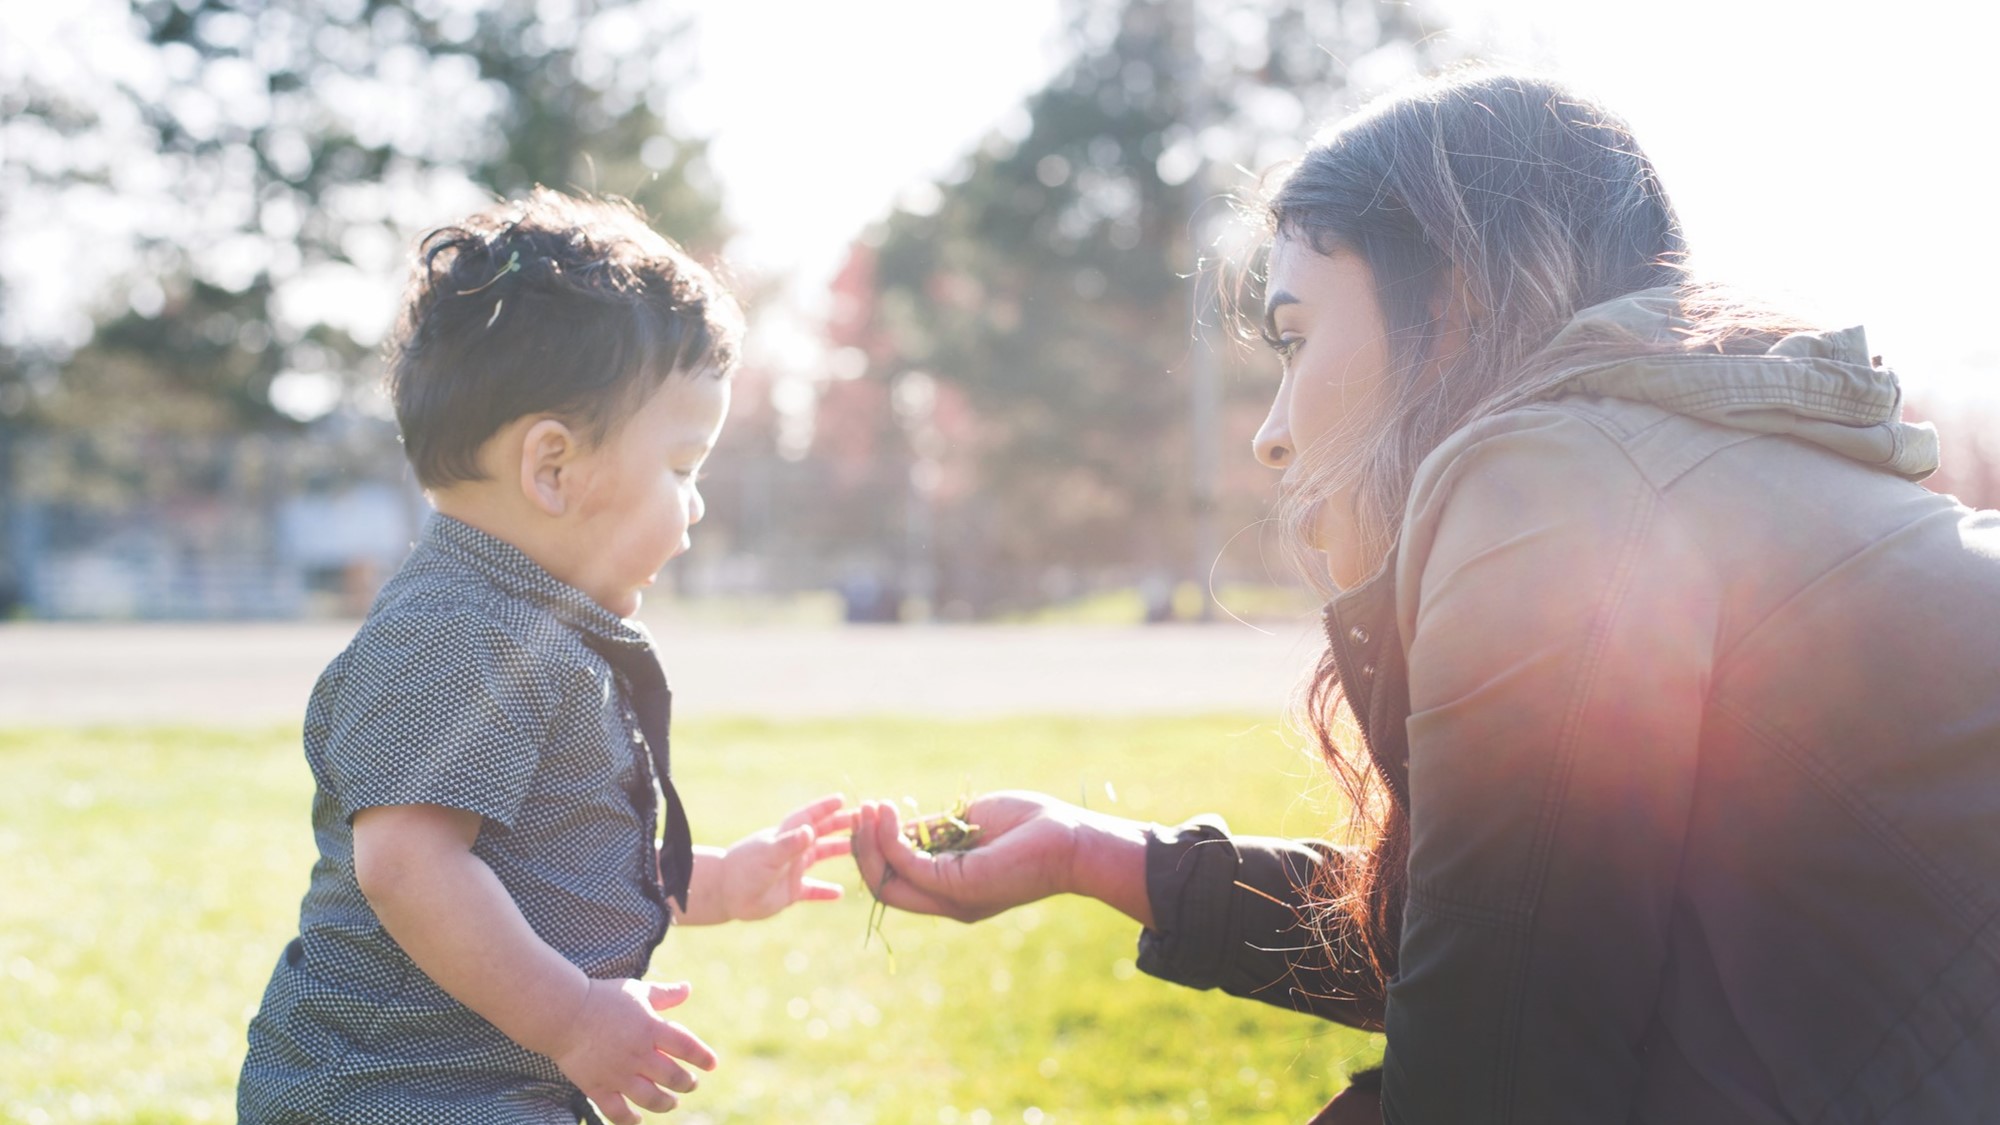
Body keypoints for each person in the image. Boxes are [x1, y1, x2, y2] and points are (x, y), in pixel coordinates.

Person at [856, 68, 2000, 1123]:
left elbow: (1489, 1078)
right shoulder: (1697, 464)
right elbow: (1516, 956)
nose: (1268, 433)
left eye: (1294, 339)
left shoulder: (1554, 489)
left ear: (1448, 309)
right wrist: (1091, 856)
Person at [239, 189, 854, 1125]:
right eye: (682, 467)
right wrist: (571, 1018)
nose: (694, 507)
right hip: (395, 1094)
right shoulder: (456, 632)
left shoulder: (526, 626)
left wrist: (719, 880)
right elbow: (407, 863)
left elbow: (555, 863)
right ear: (553, 469)